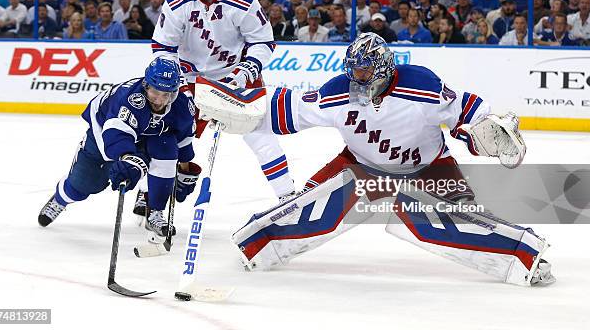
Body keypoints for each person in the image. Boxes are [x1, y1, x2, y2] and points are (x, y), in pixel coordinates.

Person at [199, 32, 555, 287]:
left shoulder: (421, 86)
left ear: (383, 68)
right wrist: (241, 108)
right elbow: (287, 109)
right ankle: (259, 246)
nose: (357, 78)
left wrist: (484, 133)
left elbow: (466, 112)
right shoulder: (338, 92)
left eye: (364, 72)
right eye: (353, 70)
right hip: (359, 166)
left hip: (428, 169)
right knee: (301, 205)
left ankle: (521, 253)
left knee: (466, 220)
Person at [150, 0, 296, 203]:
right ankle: (149, 192)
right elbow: (162, 47)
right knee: (166, 133)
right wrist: (179, 83)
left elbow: (263, 41)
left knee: (260, 134)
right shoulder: (176, 3)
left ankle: (288, 196)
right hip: (192, 79)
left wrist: (247, 69)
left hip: (236, 78)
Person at [38, 59, 201, 238]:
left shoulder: (183, 104)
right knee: (84, 184)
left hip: (149, 134)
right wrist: (127, 158)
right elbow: (116, 135)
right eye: (155, 92)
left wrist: (184, 172)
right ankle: (61, 199)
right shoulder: (129, 99)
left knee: (165, 150)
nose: (160, 100)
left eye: (166, 94)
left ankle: (155, 210)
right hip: (104, 130)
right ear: (146, 85)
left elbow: (183, 137)